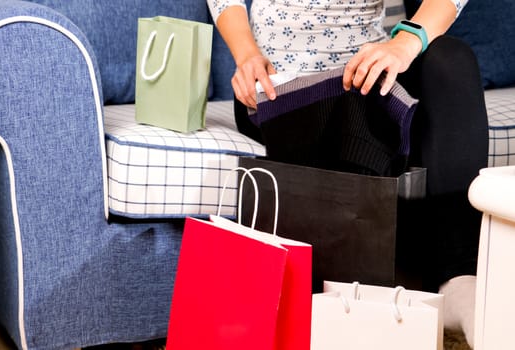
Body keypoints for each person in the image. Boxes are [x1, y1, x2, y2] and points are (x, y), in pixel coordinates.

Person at [207, 0, 488, 346]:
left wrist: (405, 41)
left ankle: (460, 280)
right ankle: (371, 297)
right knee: (355, 118)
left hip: (369, 75)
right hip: (276, 83)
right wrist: (246, 54)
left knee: (451, 59)